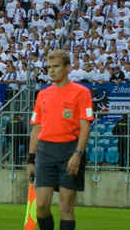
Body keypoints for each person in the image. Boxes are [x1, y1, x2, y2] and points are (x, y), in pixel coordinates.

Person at [27, 49, 94, 230]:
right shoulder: (43, 94)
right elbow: (36, 129)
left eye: (56, 66)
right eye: (49, 67)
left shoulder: (82, 93)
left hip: (69, 151)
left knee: (66, 206)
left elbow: (85, 126)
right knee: (41, 206)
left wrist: (78, 154)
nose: (51, 70)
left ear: (67, 68)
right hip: (45, 151)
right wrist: (30, 160)